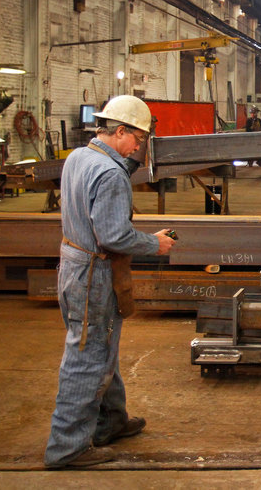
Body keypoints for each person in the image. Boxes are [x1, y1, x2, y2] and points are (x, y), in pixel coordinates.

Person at [44, 95, 176, 468]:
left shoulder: (77, 158)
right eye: (138, 139)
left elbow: (96, 223)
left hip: (73, 265)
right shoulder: (111, 173)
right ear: (119, 132)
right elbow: (114, 237)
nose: (139, 147)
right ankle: (67, 448)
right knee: (88, 357)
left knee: (102, 348)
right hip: (94, 276)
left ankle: (110, 423)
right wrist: (156, 242)